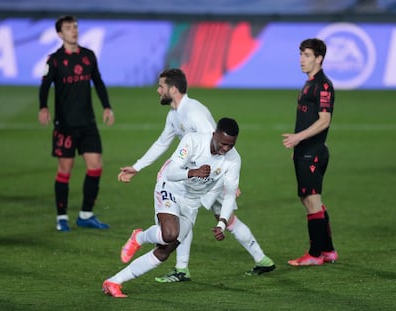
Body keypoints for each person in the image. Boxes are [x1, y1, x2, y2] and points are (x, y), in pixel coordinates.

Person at [118, 68, 274, 281]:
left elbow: (218, 144)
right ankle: (184, 268)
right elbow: (162, 142)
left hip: (211, 176)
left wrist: (229, 181)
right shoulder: (174, 115)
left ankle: (260, 258)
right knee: (191, 215)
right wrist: (137, 166)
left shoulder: (194, 113)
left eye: (161, 86)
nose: (158, 90)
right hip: (198, 176)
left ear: (172, 89)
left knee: (223, 218)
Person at [103, 118, 244, 298]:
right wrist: (193, 172)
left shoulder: (233, 160)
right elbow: (171, 172)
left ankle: (113, 282)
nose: (225, 149)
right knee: (170, 233)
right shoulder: (193, 141)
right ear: (214, 134)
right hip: (170, 187)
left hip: (192, 203)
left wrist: (222, 224)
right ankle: (139, 237)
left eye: (230, 145)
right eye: (223, 143)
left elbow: (230, 194)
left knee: (163, 252)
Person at [38, 15, 115, 232]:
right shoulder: (54, 60)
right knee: (65, 169)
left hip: (88, 123)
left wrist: (107, 107)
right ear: (60, 34)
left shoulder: (88, 56)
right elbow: (44, 87)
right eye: (69, 28)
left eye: (75, 27)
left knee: (96, 165)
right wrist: (43, 107)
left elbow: (98, 82)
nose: (74, 30)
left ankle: (85, 214)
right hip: (65, 125)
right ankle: (61, 217)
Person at [282, 38, 337, 266]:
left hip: (312, 152)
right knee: (307, 199)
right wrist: (298, 145)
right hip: (304, 151)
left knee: (312, 201)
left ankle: (314, 255)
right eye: (301, 54)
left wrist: (298, 138)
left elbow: (324, 121)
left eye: (306, 55)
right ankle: (328, 250)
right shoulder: (309, 83)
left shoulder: (323, 85)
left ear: (319, 58)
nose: (301, 59)